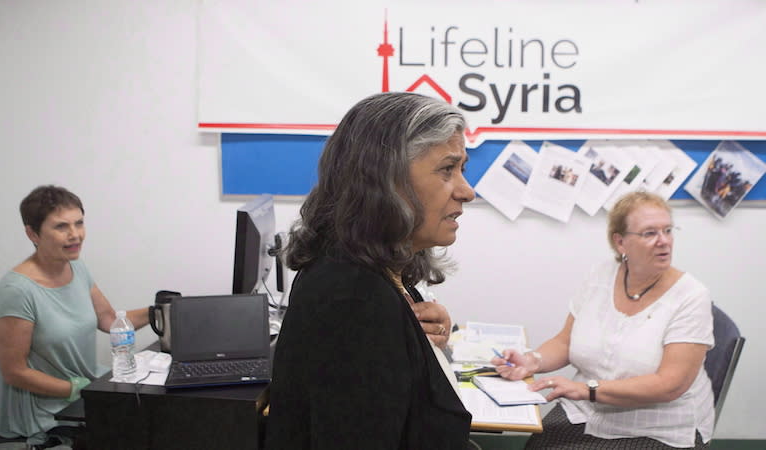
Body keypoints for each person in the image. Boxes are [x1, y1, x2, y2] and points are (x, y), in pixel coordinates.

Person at [265, 92, 476, 449]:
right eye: (446, 169)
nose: (467, 191)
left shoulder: (373, 276)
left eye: (462, 170)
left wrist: (425, 349)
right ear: (386, 180)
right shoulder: (353, 296)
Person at [493, 191, 714, 449]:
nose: (664, 241)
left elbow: (669, 385)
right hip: (586, 412)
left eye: (668, 230)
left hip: (659, 428)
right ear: (620, 243)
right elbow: (566, 342)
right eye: (649, 233)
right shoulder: (600, 276)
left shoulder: (691, 297)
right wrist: (532, 360)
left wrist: (588, 389)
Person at [0, 185, 151, 449]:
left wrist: (160, 311)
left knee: (158, 416)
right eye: (61, 227)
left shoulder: (75, 265)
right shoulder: (15, 291)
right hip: (47, 409)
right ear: (33, 233)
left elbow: (108, 319)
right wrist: (78, 389)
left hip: (84, 389)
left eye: (79, 223)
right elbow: (14, 372)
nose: (75, 235)